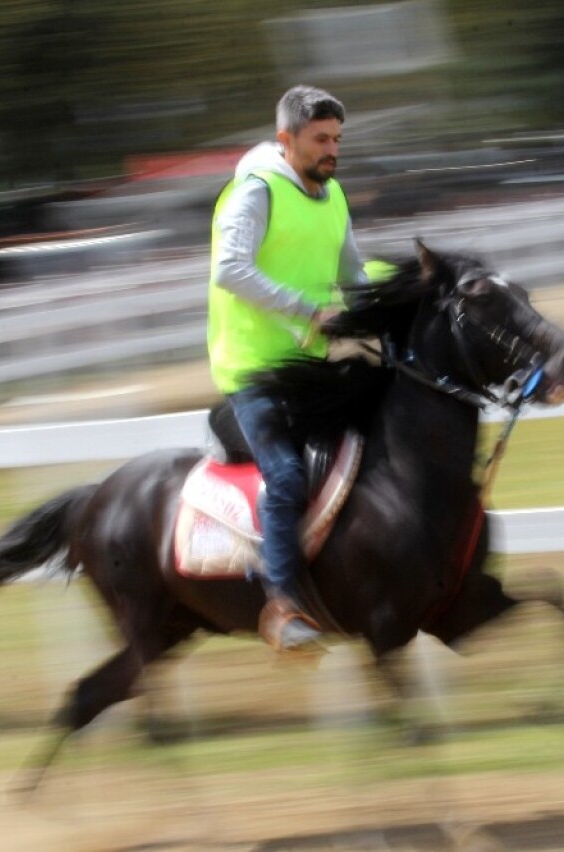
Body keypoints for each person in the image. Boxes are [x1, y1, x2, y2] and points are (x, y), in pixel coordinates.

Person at [207, 84, 367, 652]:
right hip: (254, 372)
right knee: (289, 476)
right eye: (320, 139)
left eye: (337, 139)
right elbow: (230, 270)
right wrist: (307, 309)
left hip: (310, 365)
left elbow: (355, 277)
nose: (332, 150)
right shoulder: (255, 192)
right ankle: (282, 605)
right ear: (286, 139)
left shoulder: (335, 195)